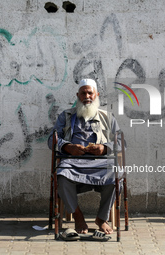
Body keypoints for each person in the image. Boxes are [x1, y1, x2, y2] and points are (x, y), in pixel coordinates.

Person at [48, 78, 123, 235]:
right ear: (78, 95)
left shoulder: (107, 116)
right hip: (72, 163)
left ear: (96, 95)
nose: (87, 96)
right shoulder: (66, 116)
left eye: (90, 93)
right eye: (83, 93)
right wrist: (68, 147)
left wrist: (104, 148)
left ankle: (101, 219)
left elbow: (121, 142)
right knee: (61, 175)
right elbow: (52, 140)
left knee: (116, 175)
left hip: (99, 164)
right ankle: (78, 216)